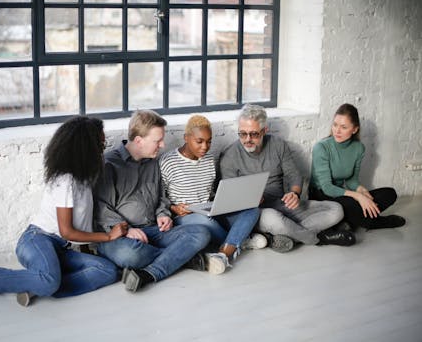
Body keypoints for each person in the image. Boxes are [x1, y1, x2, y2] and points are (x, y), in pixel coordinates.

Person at [0, 117, 126, 307]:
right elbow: (67, 232)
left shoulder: (85, 178)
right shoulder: (65, 181)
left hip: (61, 249)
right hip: (37, 240)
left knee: (107, 270)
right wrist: (108, 237)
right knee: (49, 279)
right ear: (83, 147)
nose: (102, 147)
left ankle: (35, 287)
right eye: (100, 143)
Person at [94, 110, 210, 292]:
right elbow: (101, 208)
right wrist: (128, 229)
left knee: (201, 233)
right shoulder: (109, 164)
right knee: (130, 254)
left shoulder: (153, 163)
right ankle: (182, 258)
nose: (163, 145)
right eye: (158, 141)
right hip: (120, 236)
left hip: (153, 231)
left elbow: (160, 197)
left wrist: (163, 214)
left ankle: (150, 272)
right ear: (139, 140)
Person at [220, 105, 355, 251]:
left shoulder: (277, 145)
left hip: (283, 203)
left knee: (336, 209)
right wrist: (249, 201)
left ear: (264, 131)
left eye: (254, 134)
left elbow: (293, 174)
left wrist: (294, 194)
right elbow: (230, 199)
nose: (247, 139)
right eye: (242, 134)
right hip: (258, 213)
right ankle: (320, 238)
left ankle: (283, 237)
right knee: (274, 219)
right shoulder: (230, 156)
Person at [159, 115, 266, 274]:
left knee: (253, 210)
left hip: (211, 210)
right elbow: (159, 197)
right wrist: (173, 208)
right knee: (204, 221)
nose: (205, 147)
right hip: (185, 216)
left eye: (209, 141)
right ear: (186, 138)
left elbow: (213, 192)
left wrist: (232, 201)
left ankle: (224, 252)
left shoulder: (208, 159)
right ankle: (238, 241)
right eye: (199, 141)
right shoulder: (168, 161)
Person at [309, 103, 406, 231]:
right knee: (352, 204)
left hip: (341, 193)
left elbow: (351, 180)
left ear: (354, 129)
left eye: (343, 127)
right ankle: (376, 222)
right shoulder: (321, 147)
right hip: (322, 195)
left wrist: (361, 190)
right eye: (335, 125)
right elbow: (327, 188)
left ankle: (350, 221)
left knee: (389, 193)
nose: (337, 131)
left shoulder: (359, 148)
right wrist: (358, 197)